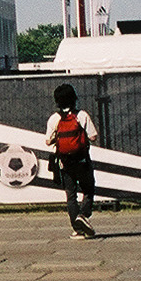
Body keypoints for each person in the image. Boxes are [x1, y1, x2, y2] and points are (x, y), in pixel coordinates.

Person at [45, 82, 99, 238]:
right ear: (74, 98)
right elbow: (93, 136)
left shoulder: (54, 118)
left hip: (64, 161)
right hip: (81, 159)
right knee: (88, 189)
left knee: (71, 194)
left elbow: (48, 141)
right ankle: (83, 215)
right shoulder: (81, 115)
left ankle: (77, 229)